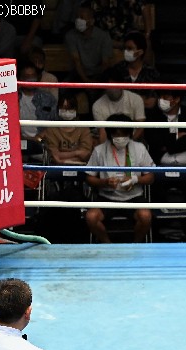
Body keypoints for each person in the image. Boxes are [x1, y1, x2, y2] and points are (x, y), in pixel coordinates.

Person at [84, 113, 156, 243]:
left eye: (124, 134)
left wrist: (135, 180)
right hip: (107, 197)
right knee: (91, 217)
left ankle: (135, 246)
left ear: (130, 133)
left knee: (146, 216)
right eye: (116, 135)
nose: (120, 138)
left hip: (134, 197)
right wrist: (104, 182)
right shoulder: (99, 150)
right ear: (109, 134)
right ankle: (108, 245)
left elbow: (151, 177)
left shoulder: (139, 148)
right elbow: (89, 178)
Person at [105, 30, 161, 111]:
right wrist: (141, 99)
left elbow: (150, 103)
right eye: (125, 48)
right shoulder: (117, 69)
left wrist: (125, 97)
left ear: (140, 52)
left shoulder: (152, 73)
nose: (126, 51)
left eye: (129, 48)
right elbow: (114, 98)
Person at [64, 3, 115, 84]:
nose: (78, 20)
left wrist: (97, 82)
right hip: (79, 74)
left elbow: (105, 63)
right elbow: (76, 60)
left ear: (91, 21)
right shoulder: (70, 36)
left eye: (82, 17)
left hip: (99, 74)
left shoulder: (103, 36)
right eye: (77, 17)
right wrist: (86, 81)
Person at [38, 92, 95, 165]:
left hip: (80, 168)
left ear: (76, 110)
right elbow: (54, 155)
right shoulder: (51, 129)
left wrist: (62, 159)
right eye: (64, 109)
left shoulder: (84, 129)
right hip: (57, 168)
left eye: (70, 109)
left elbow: (85, 155)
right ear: (58, 109)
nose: (67, 112)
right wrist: (76, 153)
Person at [91, 81, 146, 145]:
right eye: (109, 86)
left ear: (121, 85)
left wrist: (129, 144)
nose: (112, 89)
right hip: (109, 143)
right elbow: (102, 132)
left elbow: (140, 128)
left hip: (133, 141)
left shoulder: (136, 99)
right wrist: (106, 148)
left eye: (114, 86)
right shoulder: (97, 105)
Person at [18, 61, 58, 141]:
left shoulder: (48, 98)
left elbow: (55, 121)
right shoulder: (13, 98)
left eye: (33, 76)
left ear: (38, 77)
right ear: (20, 78)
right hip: (18, 141)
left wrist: (40, 137)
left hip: (43, 141)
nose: (30, 79)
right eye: (26, 76)